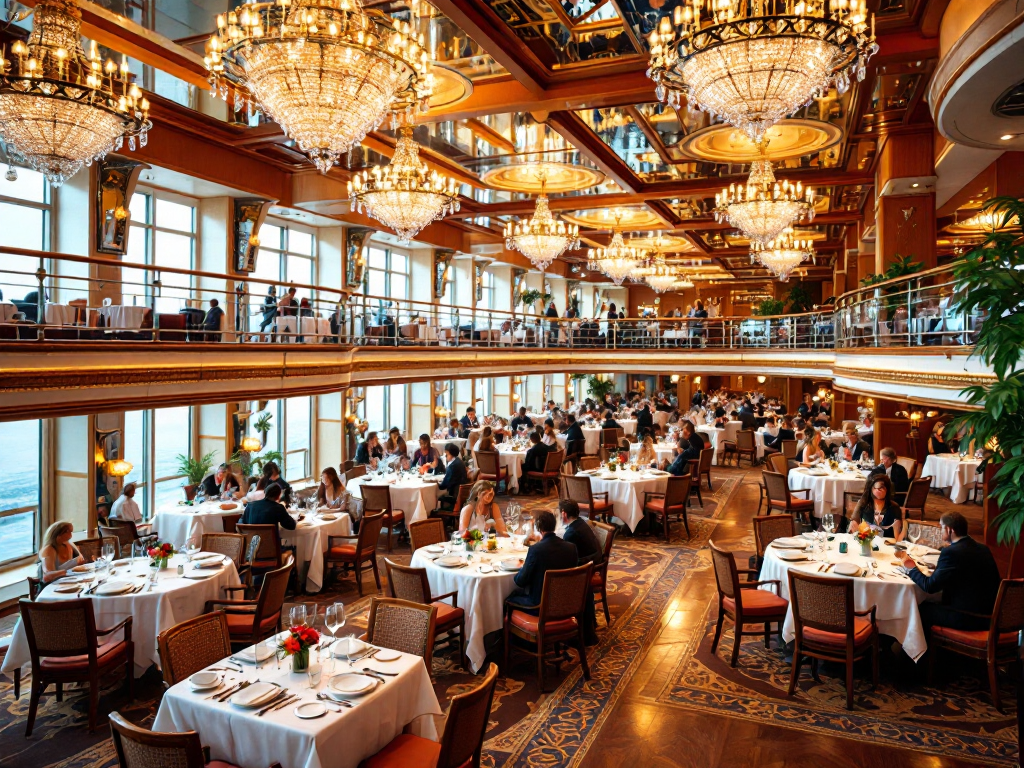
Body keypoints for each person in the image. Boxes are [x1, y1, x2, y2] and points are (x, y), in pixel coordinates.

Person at [900, 512, 1002, 634]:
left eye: (941, 527)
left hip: (967, 617)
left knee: (918, 609)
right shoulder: (983, 548)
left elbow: (930, 586)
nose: (940, 530)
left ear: (949, 530)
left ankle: (922, 652)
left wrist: (911, 568)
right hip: (990, 615)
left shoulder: (951, 552)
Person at [508, 510, 579, 609]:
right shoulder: (571, 548)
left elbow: (520, 581)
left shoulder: (536, 550)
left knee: (509, 599)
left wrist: (521, 568)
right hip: (565, 602)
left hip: (540, 606)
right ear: (554, 526)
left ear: (539, 528)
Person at [559, 500, 600, 645]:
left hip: (582, 572)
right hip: (591, 565)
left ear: (563, 514)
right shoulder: (582, 523)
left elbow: (566, 559)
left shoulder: (571, 533)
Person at [853, 474, 904, 539]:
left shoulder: (894, 508)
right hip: (868, 544)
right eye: (876, 488)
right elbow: (855, 525)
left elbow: (898, 538)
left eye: (882, 487)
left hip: (888, 545)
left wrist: (904, 525)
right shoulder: (864, 505)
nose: (879, 490)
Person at [437, 443, 468, 509]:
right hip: (461, 494)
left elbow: (444, 485)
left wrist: (436, 483)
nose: (445, 456)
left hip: (454, 495)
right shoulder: (459, 461)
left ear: (451, 454)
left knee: (436, 495)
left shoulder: (452, 466)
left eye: (446, 454)